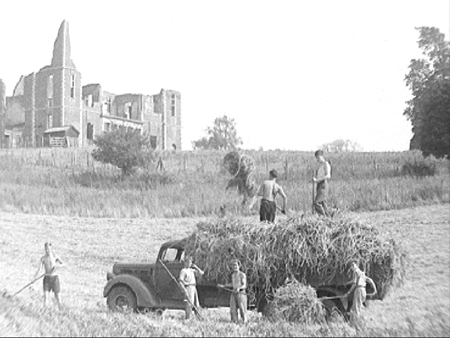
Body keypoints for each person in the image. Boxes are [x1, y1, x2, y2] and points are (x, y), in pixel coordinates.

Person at [34, 242, 65, 308]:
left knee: (58, 297)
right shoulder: (43, 258)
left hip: (54, 278)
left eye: (48, 249)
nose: (47, 250)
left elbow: (63, 264)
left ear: (51, 249)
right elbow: (39, 269)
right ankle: (46, 311)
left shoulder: (55, 256)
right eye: (46, 249)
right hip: (47, 278)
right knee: (46, 297)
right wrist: (35, 278)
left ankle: (62, 311)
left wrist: (57, 267)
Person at [218, 259, 248, 323]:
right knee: (233, 308)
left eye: (235, 265)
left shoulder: (242, 275)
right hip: (234, 292)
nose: (234, 267)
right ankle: (234, 321)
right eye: (233, 266)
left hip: (241, 293)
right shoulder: (233, 275)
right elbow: (232, 284)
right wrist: (223, 286)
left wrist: (239, 288)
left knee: (242, 308)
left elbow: (244, 285)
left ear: (239, 266)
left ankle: (244, 321)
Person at [313, 150, 331, 216]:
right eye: (316, 158)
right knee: (323, 204)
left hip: (323, 184)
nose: (317, 159)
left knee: (316, 203)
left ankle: (323, 218)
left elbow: (328, 176)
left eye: (318, 157)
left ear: (321, 156)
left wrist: (317, 180)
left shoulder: (326, 164)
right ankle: (329, 218)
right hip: (319, 185)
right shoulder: (319, 166)